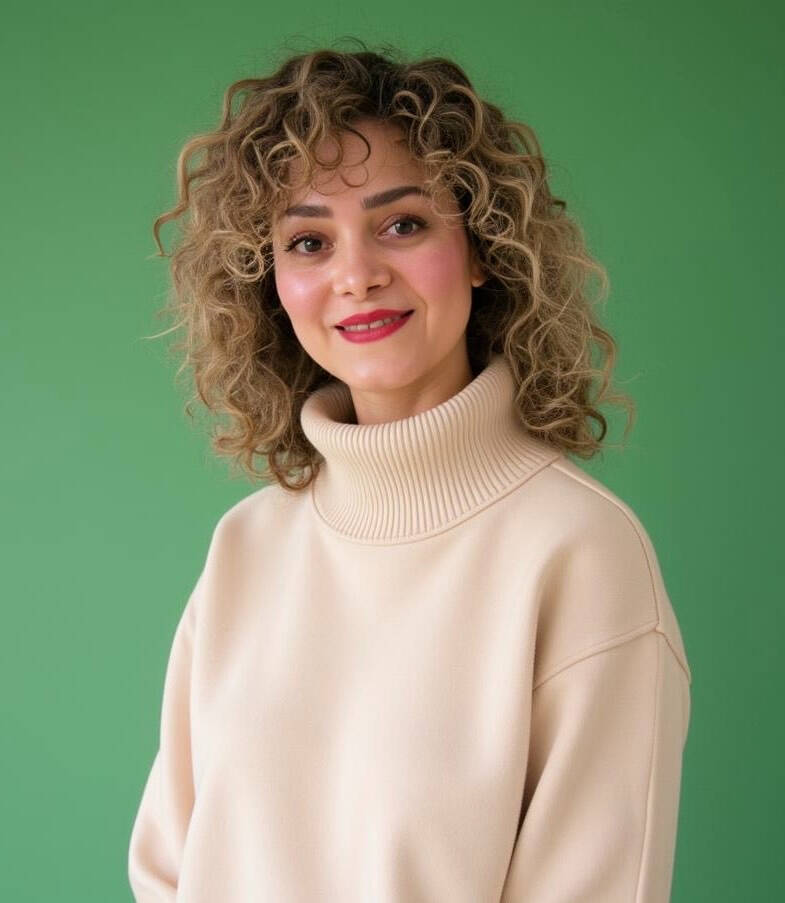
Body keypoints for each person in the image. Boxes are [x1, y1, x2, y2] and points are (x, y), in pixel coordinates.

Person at [128, 40, 692, 902]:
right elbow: (168, 871)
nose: (356, 275)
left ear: (480, 246)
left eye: (402, 223)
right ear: (269, 282)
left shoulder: (577, 552)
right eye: (308, 241)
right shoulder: (247, 545)